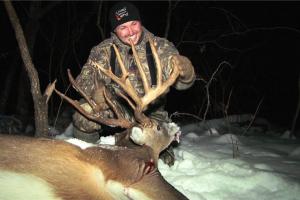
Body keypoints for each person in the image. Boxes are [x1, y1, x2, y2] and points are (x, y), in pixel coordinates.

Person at [72, 2, 196, 146]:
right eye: (123, 27)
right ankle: (88, 156)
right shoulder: (103, 51)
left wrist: (186, 73)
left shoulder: (160, 46)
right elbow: (81, 82)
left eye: (134, 24)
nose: (130, 32)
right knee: (83, 113)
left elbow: (180, 82)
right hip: (116, 111)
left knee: (148, 157)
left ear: (140, 22)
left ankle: (158, 149)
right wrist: (95, 91)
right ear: (115, 30)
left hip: (151, 115)